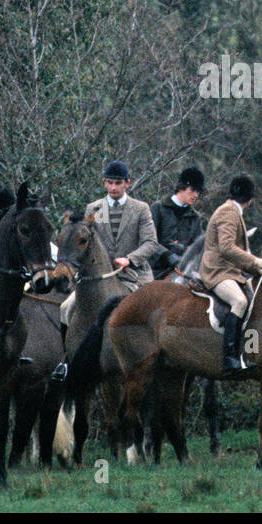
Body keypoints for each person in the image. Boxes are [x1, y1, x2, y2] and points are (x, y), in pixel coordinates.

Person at [51, 160, 160, 382]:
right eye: (109, 183)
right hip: (98, 275)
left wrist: (129, 259)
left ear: (127, 183)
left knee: (153, 309)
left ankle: (155, 354)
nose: (113, 188)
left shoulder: (140, 209)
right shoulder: (94, 209)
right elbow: (86, 239)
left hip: (133, 275)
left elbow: (151, 243)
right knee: (65, 308)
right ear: (104, 183)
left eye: (118, 183)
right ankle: (66, 360)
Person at [199, 175, 262, 377]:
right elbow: (226, 248)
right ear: (250, 200)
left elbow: (237, 251)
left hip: (231, 271)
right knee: (239, 301)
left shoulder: (233, 211)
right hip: (217, 271)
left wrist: (258, 268)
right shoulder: (228, 212)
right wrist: (256, 262)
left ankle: (247, 353)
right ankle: (229, 360)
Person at [150, 167, 206, 279]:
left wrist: (184, 252)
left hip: (182, 270)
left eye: (198, 191)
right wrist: (167, 255)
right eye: (192, 190)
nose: (195, 195)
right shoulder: (158, 208)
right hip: (154, 269)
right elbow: (148, 240)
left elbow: (198, 248)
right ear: (181, 188)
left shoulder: (195, 218)